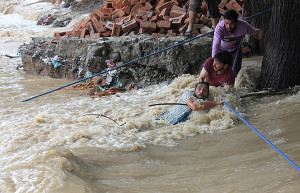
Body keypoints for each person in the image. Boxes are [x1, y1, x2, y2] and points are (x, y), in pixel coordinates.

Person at [212, 9, 263, 75]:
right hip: (222, 50)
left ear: (236, 22)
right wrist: (214, 59)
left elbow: (256, 32)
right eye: (226, 23)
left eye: (231, 24)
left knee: (235, 71)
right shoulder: (219, 27)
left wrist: (258, 34)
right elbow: (216, 44)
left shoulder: (243, 26)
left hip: (236, 49)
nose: (228, 27)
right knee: (220, 70)